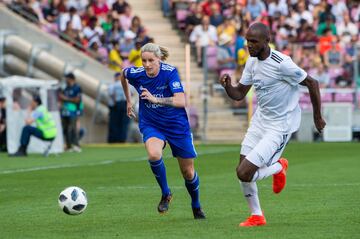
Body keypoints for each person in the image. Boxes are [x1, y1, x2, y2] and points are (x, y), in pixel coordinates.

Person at [219, 23, 326, 227]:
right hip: (260, 121)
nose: (249, 45)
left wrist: (317, 118)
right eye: (247, 41)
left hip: (280, 125)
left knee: (244, 173)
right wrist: (227, 87)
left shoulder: (282, 63)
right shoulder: (251, 62)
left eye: (253, 41)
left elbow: (312, 83)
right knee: (242, 170)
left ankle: (279, 167)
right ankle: (257, 216)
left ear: (267, 41)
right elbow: (239, 94)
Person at [120, 43, 205, 219]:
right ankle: (166, 193)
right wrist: (128, 101)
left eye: (151, 60)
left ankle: (196, 204)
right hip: (152, 123)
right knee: (153, 154)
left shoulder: (170, 72)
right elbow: (123, 75)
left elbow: (181, 101)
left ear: (159, 59)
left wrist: (155, 99)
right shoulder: (137, 73)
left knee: (188, 172)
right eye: (144, 60)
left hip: (176, 125)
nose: (147, 64)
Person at [59, 73, 82, 152]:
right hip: (65, 111)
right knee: (65, 128)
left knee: (72, 128)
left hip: (73, 111)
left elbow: (77, 100)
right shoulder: (66, 88)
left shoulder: (77, 88)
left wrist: (66, 98)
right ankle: (68, 146)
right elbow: (60, 97)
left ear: (71, 79)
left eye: (67, 78)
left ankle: (76, 145)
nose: (66, 80)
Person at [107, 72, 130, 143]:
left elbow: (112, 95)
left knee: (114, 123)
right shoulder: (127, 84)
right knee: (124, 123)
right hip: (124, 104)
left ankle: (113, 140)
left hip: (115, 105)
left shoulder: (112, 85)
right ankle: (122, 139)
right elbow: (130, 94)